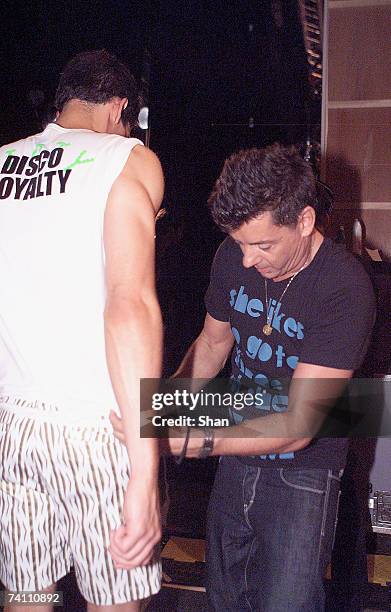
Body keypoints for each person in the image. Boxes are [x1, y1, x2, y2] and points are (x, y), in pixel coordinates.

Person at [110, 143, 376, 611]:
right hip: (236, 453)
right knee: (225, 595)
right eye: (240, 243)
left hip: (305, 472)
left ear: (305, 221)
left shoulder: (343, 286)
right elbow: (212, 346)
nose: (248, 260)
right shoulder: (233, 257)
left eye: (264, 245)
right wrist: (160, 410)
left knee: (286, 603)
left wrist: (186, 440)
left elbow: (298, 426)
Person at [0, 49, 164, 611]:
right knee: (115, 599)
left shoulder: (2, 162)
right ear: (121, 108)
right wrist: (145, 468)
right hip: (97, 432)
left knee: (24, 595)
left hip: (13, 429)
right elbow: (129, 305)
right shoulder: (129, 161)